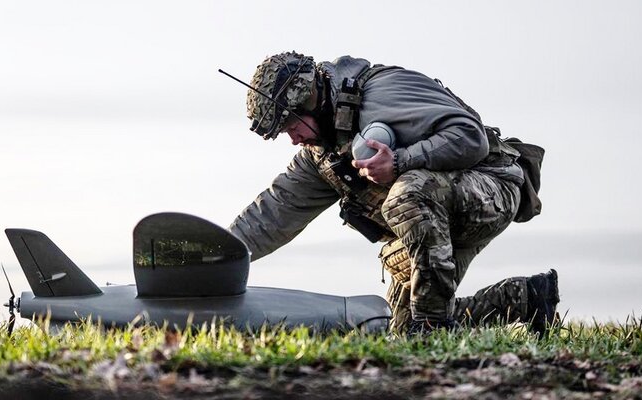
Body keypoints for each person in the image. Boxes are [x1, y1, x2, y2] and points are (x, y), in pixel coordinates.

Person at [227, 52, 559, 335]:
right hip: (431, 218)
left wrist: (400, 161)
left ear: (309, 101)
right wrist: (211, 256)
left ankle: (432, 327)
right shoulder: (320, 156)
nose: (293, 139)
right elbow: (271, 214)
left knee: (408, 196)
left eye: (290, 126)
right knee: (401, 329)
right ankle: (524, 299)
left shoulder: (385, 93)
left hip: (491, 187)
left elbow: (471, 137)